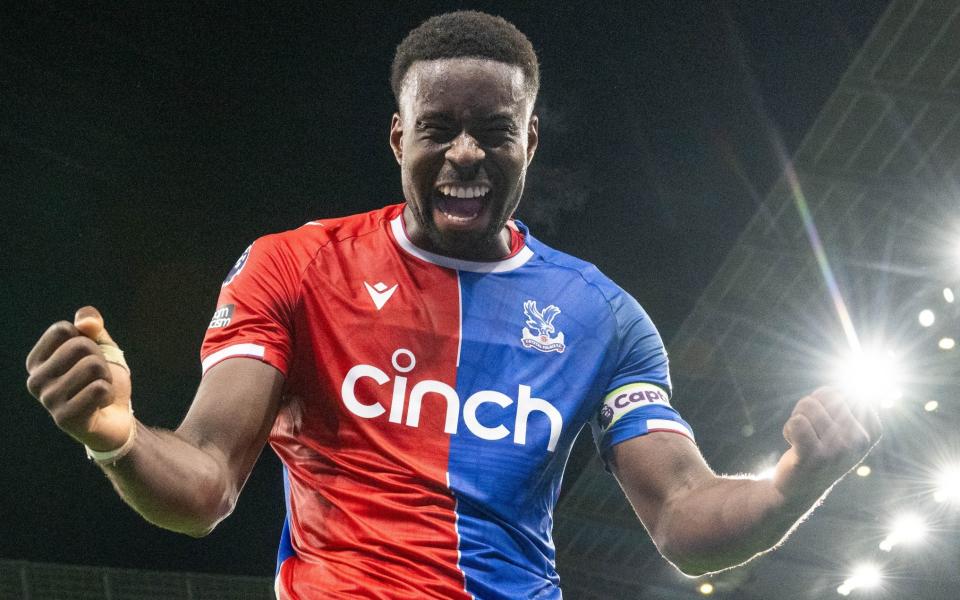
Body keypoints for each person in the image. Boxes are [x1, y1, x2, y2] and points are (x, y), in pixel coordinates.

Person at [24, 10, 880, 600]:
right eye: (437, 128)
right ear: (400, 137)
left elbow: (684, 516)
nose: (466, 153)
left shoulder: (602, 317)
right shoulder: (293, 268)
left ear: (530, 141)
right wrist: (121, 441)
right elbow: (207, 482)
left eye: (496, 131)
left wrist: (797, 481)